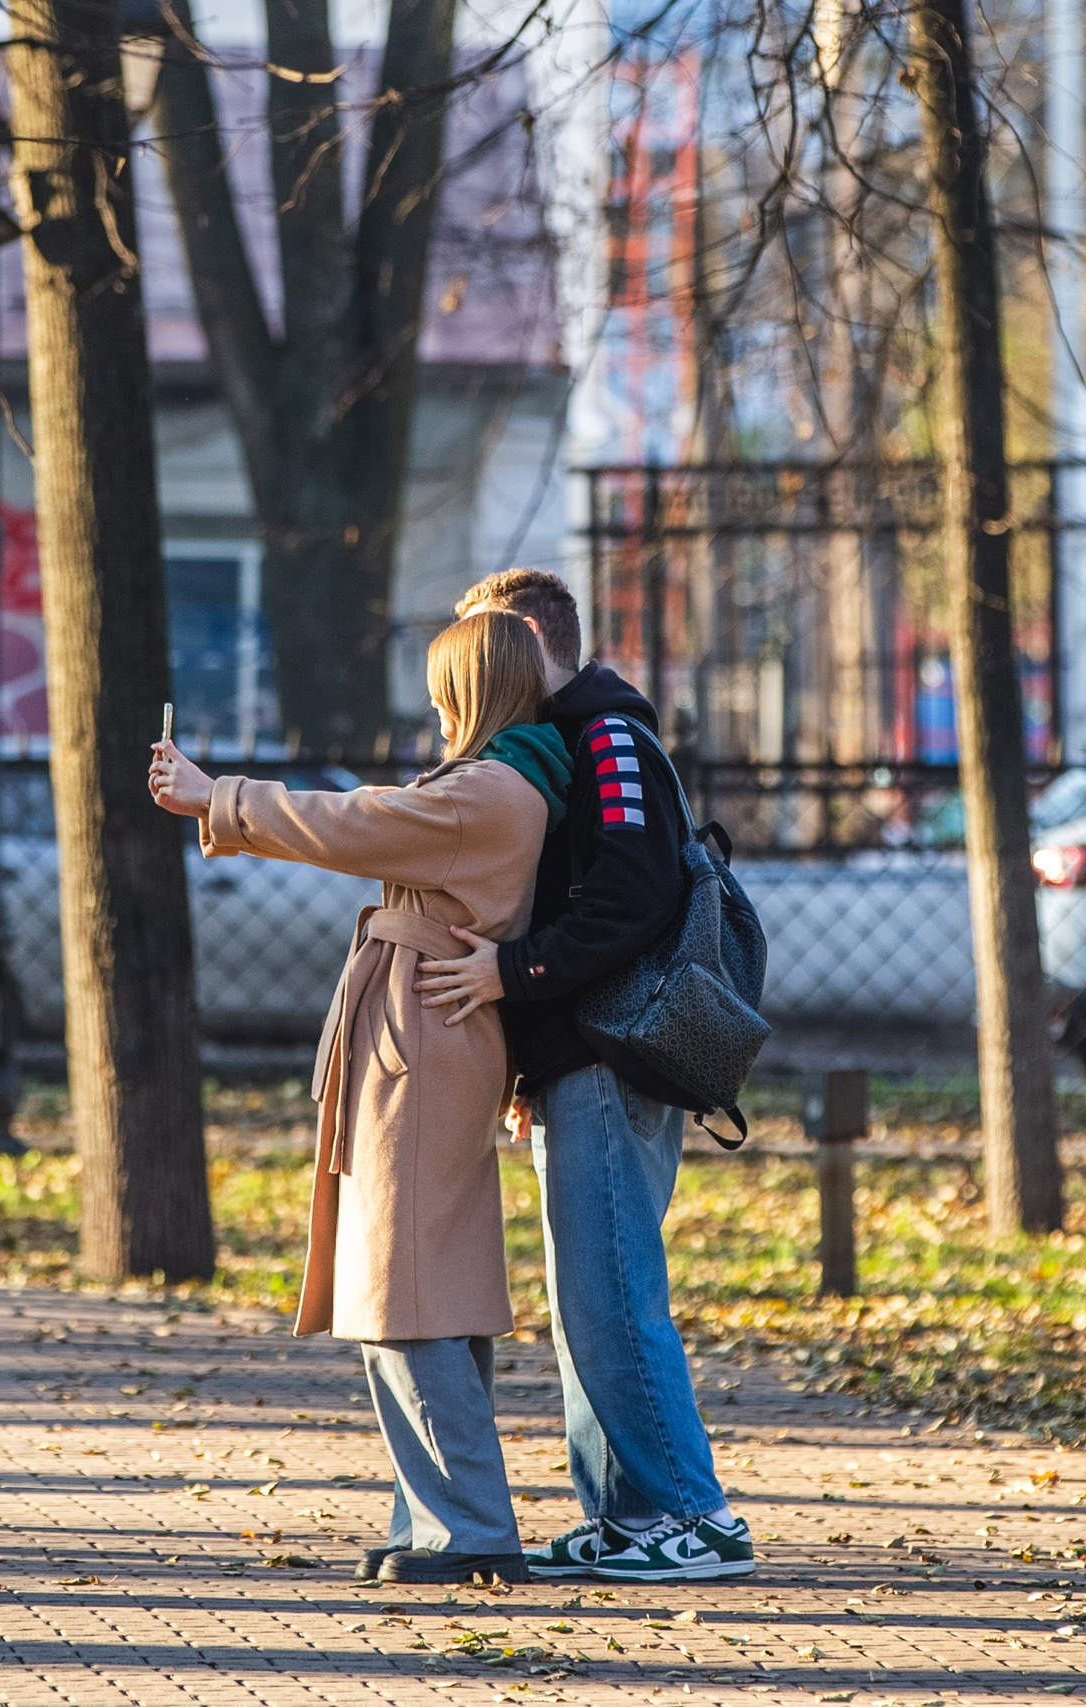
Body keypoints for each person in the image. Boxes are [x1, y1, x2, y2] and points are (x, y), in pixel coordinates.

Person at [147, 611, 573, 1586]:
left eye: (441, 691)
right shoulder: (503, 785)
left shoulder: (490, 793)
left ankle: (466, 1531)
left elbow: (356, 822)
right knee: (425, 1287)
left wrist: (224, 797)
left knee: (405, 1290)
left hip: (420, 1041)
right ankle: (433, 1519)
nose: (431, 710)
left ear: (476, 689)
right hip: (422, 1032)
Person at [414, 567, 755, 1584]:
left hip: (614, 1060)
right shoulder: (574, 740)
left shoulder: (605, 738)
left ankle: (695, 1516)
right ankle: (626, 1519)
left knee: (612, 1297)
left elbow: (631, 899)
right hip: (583, 1058)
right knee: (588, 1300)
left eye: (479, 641)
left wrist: (514, 975)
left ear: (522, 636)